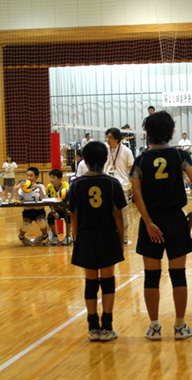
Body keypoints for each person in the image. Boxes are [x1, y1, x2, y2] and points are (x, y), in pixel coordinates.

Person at [130, 111, 192, 341]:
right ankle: (180, 326)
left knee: (151, 276)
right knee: (178, 274)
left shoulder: (140, 160)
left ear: (147, 133)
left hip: (151, 220)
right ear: (171, 132)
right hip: (175, 219)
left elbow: (136, 193)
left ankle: (154, 327)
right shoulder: (180, 155)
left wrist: (149, 222)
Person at [69, 141, 126, 342]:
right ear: (105, 160)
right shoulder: (112, 183)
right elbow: (119, 215)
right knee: (108, 280)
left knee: (91, 281)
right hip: (107, 234)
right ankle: (107, 325)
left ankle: (93, 327)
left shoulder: (75, 185)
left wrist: (77, 239)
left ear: (84, 160)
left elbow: (73, 216)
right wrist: (120, 239)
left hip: (85, 236)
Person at [104, 127, 134, 244]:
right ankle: (109, 236)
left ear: (117, 139)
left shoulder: (126, 151)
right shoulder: (105, 150)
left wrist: (132, 186)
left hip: (122, 186)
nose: (108, 139)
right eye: (107, 137)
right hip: (107, 186)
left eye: (110, 137)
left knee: (123, 214)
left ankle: (124, 237)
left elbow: (131, 169)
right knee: (107, 213)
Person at [14, 167, 49, 245]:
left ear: (36, 177)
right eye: (27, 175)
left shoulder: (40, 186)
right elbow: (18, 199)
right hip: (28, 210)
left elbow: (44, 198)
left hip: (38, 210)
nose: (29, 178)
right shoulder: (23, 188)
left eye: (31, 175)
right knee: (26, 225)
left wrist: (39, 188)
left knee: (41, 222)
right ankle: (21, 237)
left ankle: (44, 236)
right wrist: (16, 189)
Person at [46, 169, 71, 245]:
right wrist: (52, 209)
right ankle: (55, 236)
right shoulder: (49, 187)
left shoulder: (65, 185)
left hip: (65, 209)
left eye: (53, 178)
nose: (51, 180)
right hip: (56, 210)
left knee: (69, 215)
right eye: (50, 178)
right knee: (50, 216)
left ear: (60, 179)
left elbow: (67, 198)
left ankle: (68, 236)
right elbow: (47, 198)